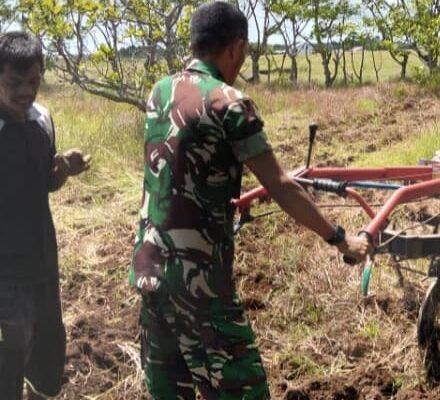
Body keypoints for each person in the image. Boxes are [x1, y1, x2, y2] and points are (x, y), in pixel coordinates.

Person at [129, 2, 369, 399]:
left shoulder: (160, 91)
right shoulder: (229, 103)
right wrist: (341, 239)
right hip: (200, 282)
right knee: (246, 389)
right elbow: (281, 185)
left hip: (150, 269)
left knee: (170, 391)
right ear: (236, 47)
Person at [0, 31, 91, 400]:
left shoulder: (42, 119)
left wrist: (63, 170)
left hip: (43, 262)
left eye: (33, 81)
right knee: (9, 359)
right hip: (5, 274)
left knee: (47, 352)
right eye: (14, 83)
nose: (26, 92)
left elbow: (44, 184)